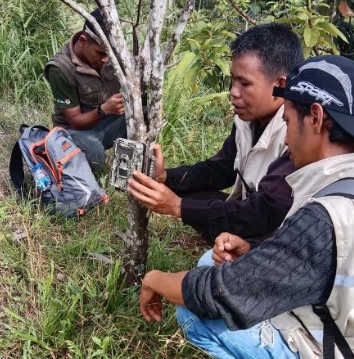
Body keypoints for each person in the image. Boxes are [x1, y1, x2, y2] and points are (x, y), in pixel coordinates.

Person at [138, 55, 354, 359]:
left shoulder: (326, 215)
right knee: (209, 262)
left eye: (289, 121)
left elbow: (219, 295)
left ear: (316, 118)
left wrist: (154, 279)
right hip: (348, 336)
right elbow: (317, 266)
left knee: (193, 311)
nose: (287, 137)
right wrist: (255, 250)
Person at [128, 23, 302, 245]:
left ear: (280, 85)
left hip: (282, 236)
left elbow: (265, 212)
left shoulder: (297, 133)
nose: (233, 92)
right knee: (191, 198)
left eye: (245, 83)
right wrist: (165, 178)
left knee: (190, 208)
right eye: (233, 79)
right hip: (256, 214)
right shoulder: (246, 120)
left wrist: (177, 207)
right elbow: (221, 170)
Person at [44, 9, 126, 173]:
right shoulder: (60, 68)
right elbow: (75, 121)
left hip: (107, 122)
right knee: (94, 155)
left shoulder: (112, 55)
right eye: (100, 53)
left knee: (143, 117)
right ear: (83, 41)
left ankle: (126, 170)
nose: (105, 59)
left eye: (109, 54)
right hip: (73, 131)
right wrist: (104, 110)